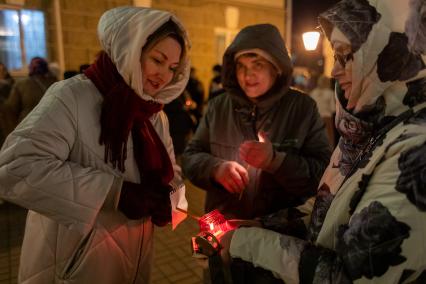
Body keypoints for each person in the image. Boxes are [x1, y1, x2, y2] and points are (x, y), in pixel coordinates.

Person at [218, 0, 426, 283]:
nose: (333, 72)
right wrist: (264, 225)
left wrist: (247, 243)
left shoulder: (416, 150)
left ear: (390, 54)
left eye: (345, 56)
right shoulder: (366, 129)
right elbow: (328, 210)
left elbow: (351, 276)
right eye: (335, 56)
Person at [0, 6, 190, 284]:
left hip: (132, 261)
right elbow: (15, 167)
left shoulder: (154, 114)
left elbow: (171, 170)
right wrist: (115, 193)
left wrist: (175, 203)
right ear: (131, 49)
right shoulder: (72, 97)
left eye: (173, 68)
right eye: (157, 60)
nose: (164, 75)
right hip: (70, 266)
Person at [2, 57, 57, 136]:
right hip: (52, 127)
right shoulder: (55, 83)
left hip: (27, 127)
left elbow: (10, 108)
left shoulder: (21, 84)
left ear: (31, 67)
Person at [309, 75, 336, 148]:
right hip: (327, 117)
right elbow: (333, 108)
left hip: (316, 118)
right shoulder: (330, 93)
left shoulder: (313, 92)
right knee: (329, 137)